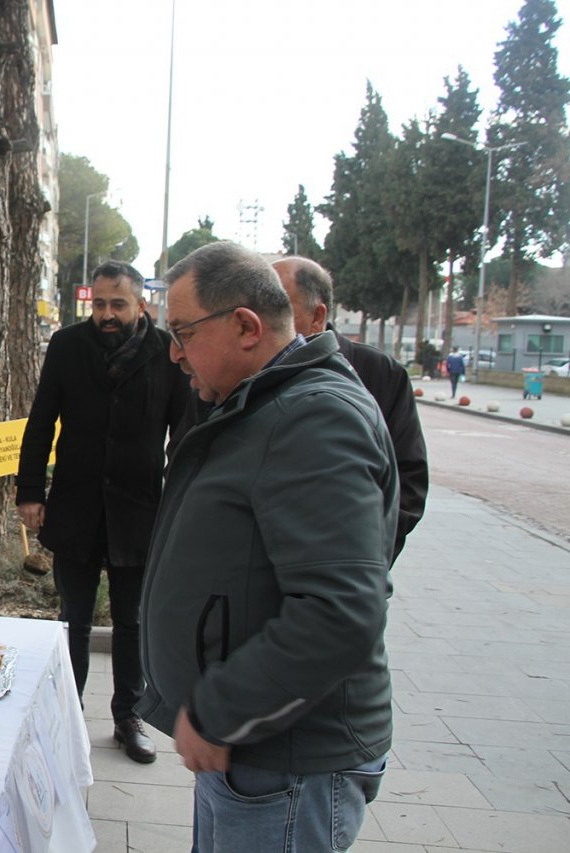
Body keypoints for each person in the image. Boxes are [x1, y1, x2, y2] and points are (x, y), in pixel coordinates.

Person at [141, 242, 396, 853]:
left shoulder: (311, 417)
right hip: (253, 752)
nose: (174, 354)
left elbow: (339, 611)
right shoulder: (264, 403)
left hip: (286, 762)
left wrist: (219, 710)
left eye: (182, 333)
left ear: (246, 327)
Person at [16, 261, 191, 765]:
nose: (108, 315)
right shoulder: (69, 345)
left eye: (119, 304)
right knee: (73, 617)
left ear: (141, 305)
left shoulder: (165, 352)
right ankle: (66, 715)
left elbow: (183, 430)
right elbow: (42, 419)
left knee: (132, 620)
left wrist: (178, 499)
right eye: (100, 305)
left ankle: (127, 716)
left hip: (140, 509)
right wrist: (31, 492)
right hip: (76, 506)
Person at [274, 256, 428, 561]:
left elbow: (408, 479)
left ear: (317, 316)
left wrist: (367, 557)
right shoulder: (248, 371)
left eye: (279, 308)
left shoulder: (380, 374)